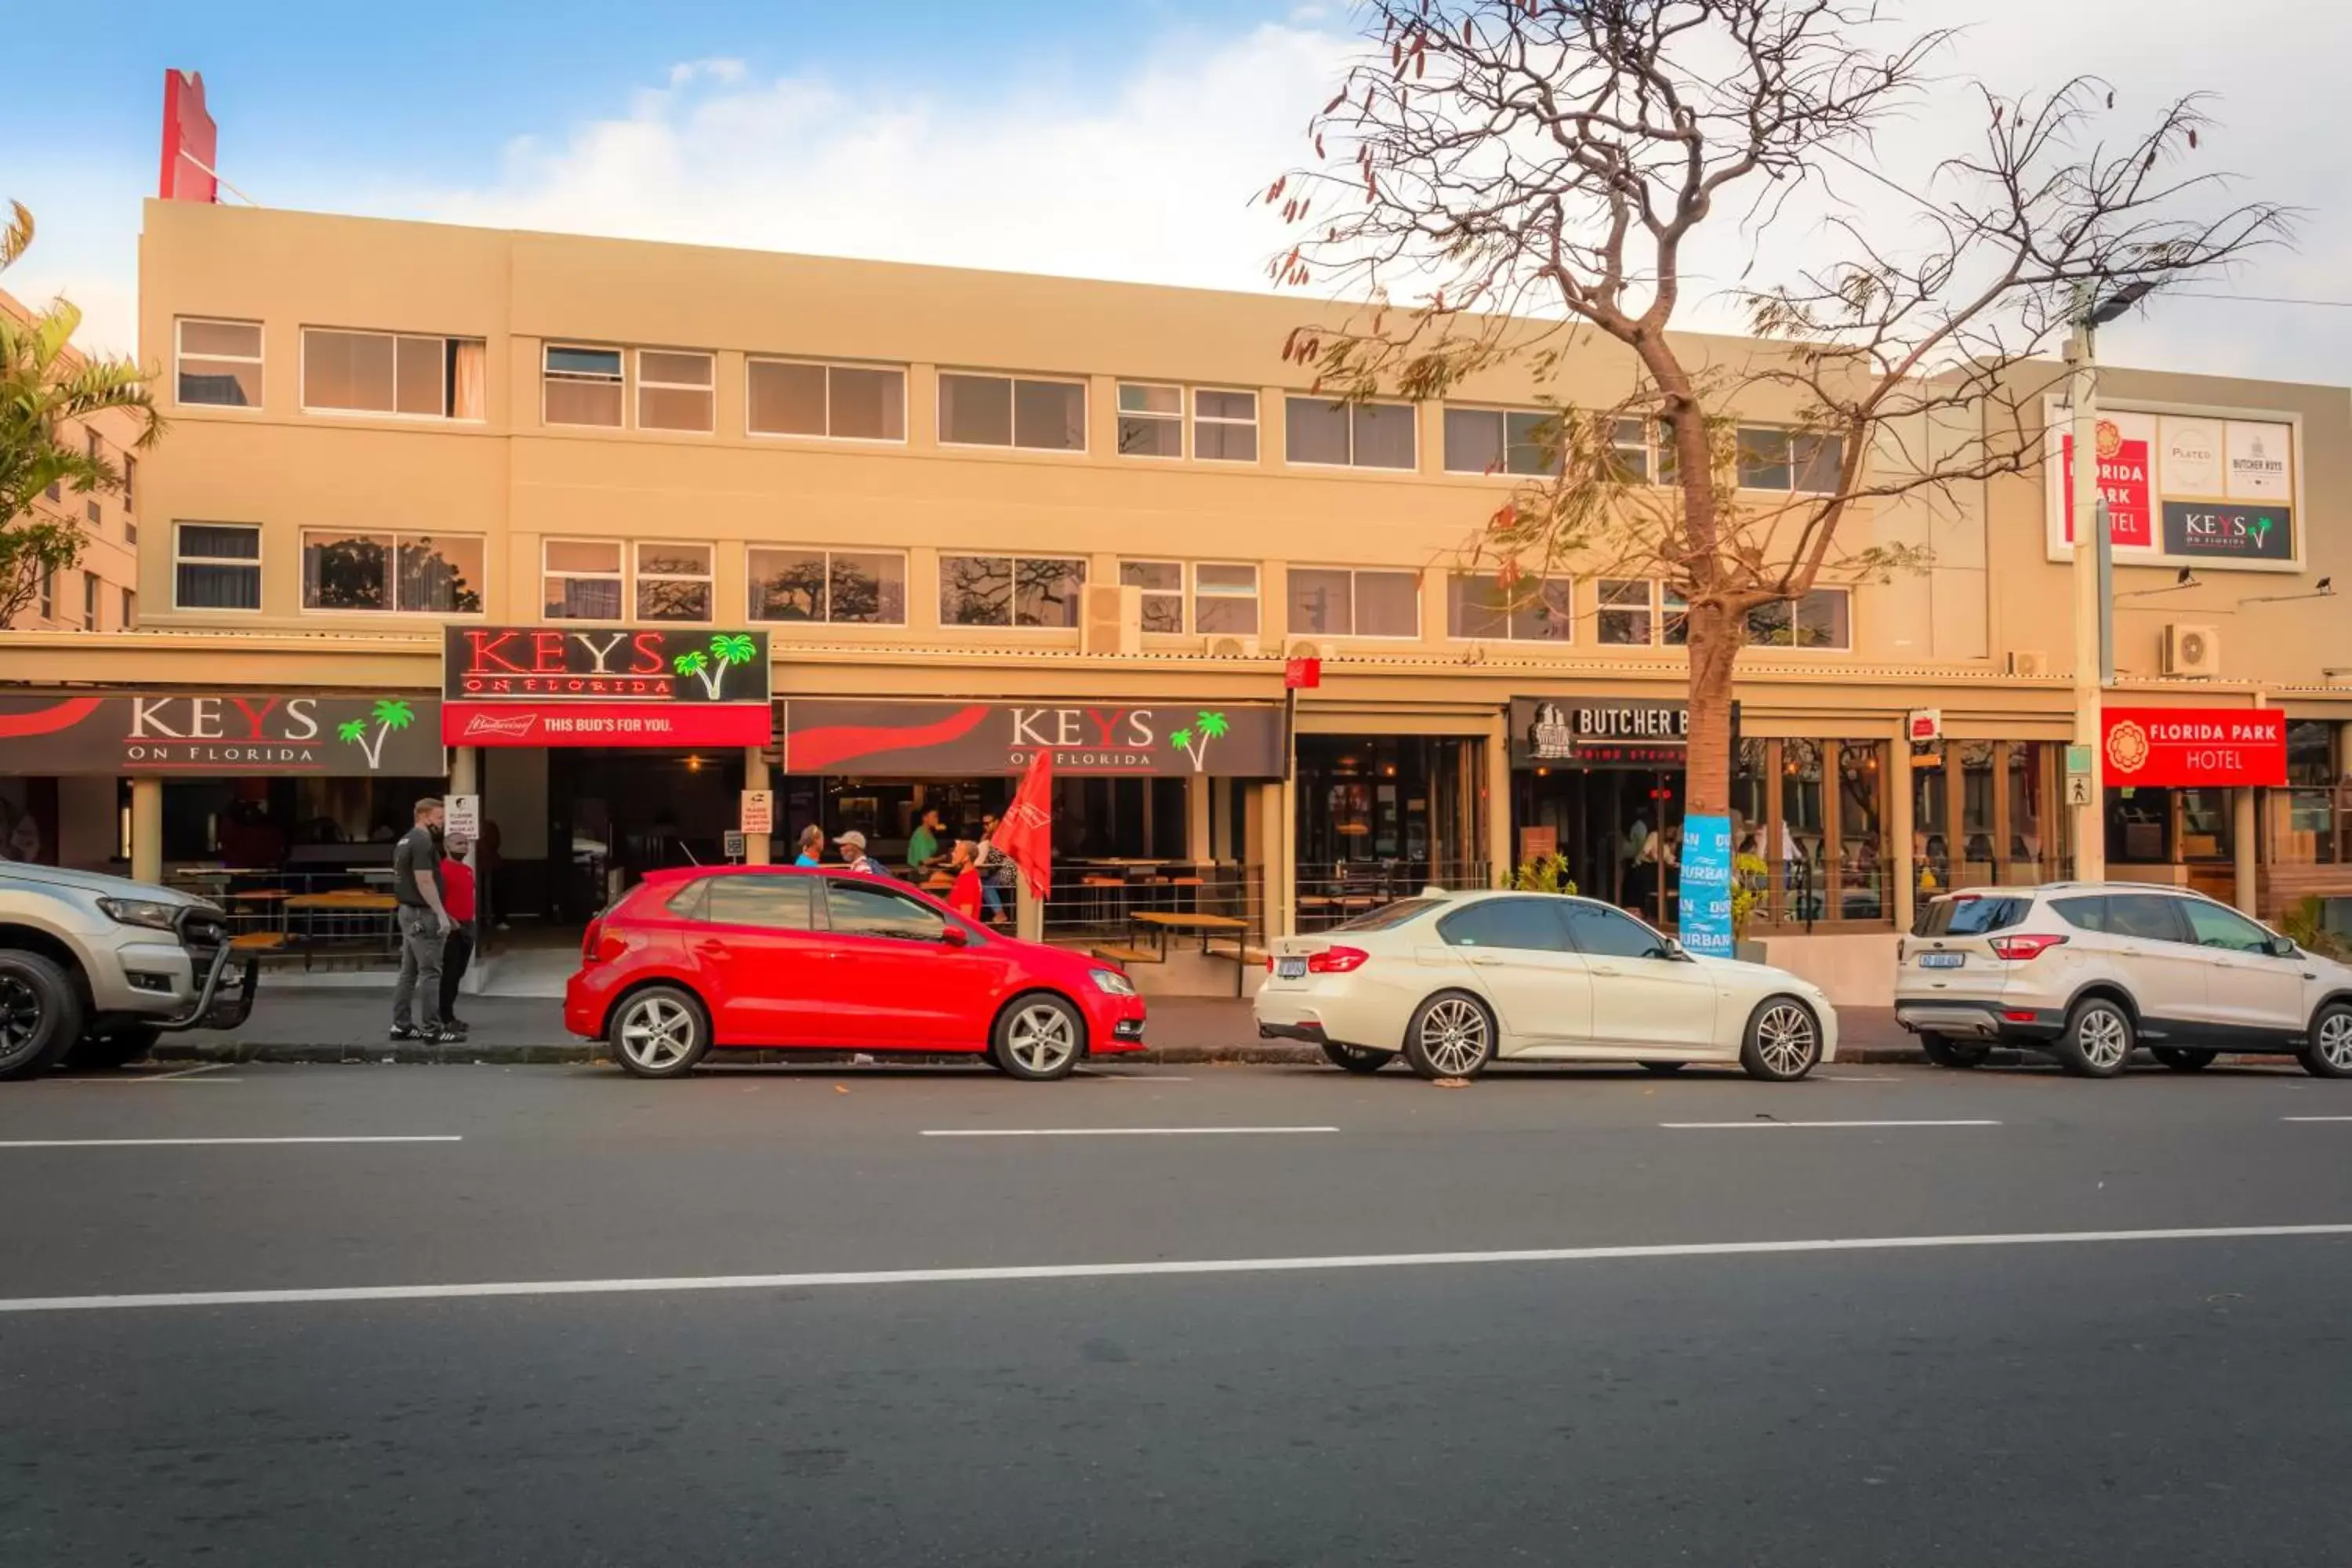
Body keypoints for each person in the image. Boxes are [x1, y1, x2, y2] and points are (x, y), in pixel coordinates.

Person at [390, 797, 458, 1043]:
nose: (442, 823)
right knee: (430, 972)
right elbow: (424, 880)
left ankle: (402, 1025)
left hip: (407, 911)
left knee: (408, 972)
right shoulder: (422, 841)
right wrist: (441, 914)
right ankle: (433, 1028)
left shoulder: (405, 839)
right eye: (439, 818)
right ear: (424, 816)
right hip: (422, 913)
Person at [437, 831, 478, 1032]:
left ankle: (448, 1014)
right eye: (459, 843)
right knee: (449, 974)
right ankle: (445, 1017)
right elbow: (435, 899)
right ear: (447, 846)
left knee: (459, 973)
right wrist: (449, 920)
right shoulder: (441, 870)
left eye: (466, 843)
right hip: (451, 927)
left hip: (468, 925)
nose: (464, 846)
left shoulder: (468, 870)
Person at [946, 840, 984, 922]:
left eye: (957, 852)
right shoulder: (966, 876)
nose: (953, 854)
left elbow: (966, 916)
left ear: (966, 857)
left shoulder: (967, 880)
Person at [906, 807, 946, 873]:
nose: (937, 820)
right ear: (925, 818)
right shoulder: (920, 835)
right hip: (919, 872)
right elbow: (924, 861)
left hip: (927, 870)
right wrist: (940, 859)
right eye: (934, 817)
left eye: (937, 817)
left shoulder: (929, 832)